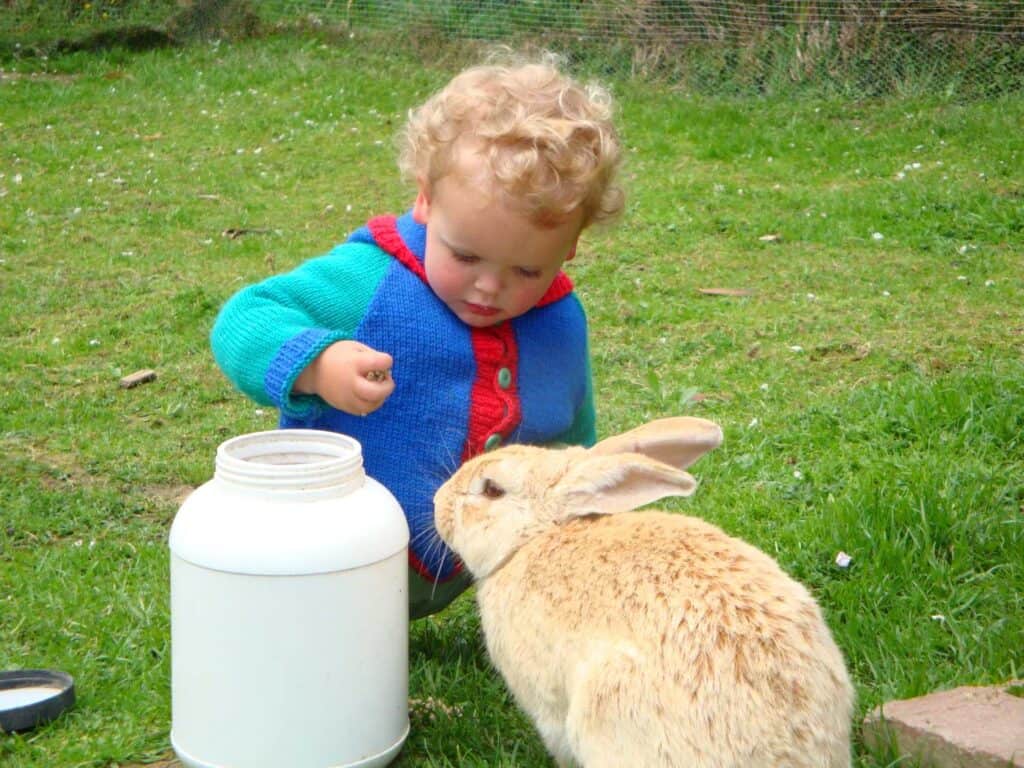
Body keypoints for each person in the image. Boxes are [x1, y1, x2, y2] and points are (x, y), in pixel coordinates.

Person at [210, 52, 624, 617]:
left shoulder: (559, 320)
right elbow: (245, 318)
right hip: (336, 561)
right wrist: (317, 364)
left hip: (476, 560)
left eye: (526, 270)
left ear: (569, 248)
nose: (488, 287)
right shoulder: (369, 279)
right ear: (426, 200)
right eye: (466, 255)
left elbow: (571, 437)